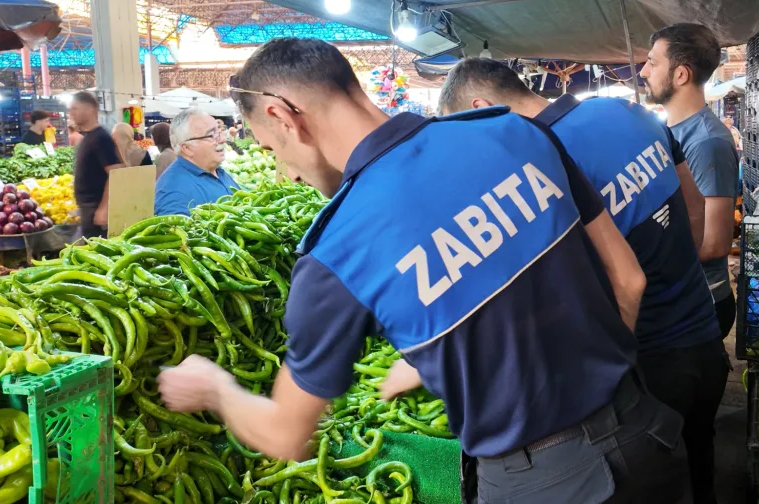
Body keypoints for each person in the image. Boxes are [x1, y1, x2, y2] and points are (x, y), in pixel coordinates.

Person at [156, 38, 686, 503]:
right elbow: (628, 280)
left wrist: (215, 388)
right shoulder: (511, 132)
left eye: (273, 149)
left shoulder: (336, 250)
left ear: (283, 116)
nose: (285, 173)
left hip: (540, 483)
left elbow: (286, 435)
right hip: (648, 432)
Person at [436, 57, 728, 504]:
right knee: (702, 465)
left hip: (646, 370)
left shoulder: (539, 165)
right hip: (704, 336)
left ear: (481, 108)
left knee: (666, 482)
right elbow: (694, 207)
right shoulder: (623, 111)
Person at [641, 24, 739, 344]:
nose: (643, 71)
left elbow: (714, 244)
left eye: (653, 63)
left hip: (698, 305)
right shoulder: (665, 130)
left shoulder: (707, 142)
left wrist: (641, 260)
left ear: (681, 74)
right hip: (673, 299)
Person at [154, 108, 239, 216]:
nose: (223, 139)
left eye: (219, 131)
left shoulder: (216, 171)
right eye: (211, 135)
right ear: (187, 148)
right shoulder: (174, 193)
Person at [68, 91, 124, 239]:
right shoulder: (88, 137)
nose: (71, 113)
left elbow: (116, 173)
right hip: (88, 210)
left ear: (90, 110)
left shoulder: (101, 138)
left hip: (96, 210)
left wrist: (104, 208)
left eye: (75, 108)